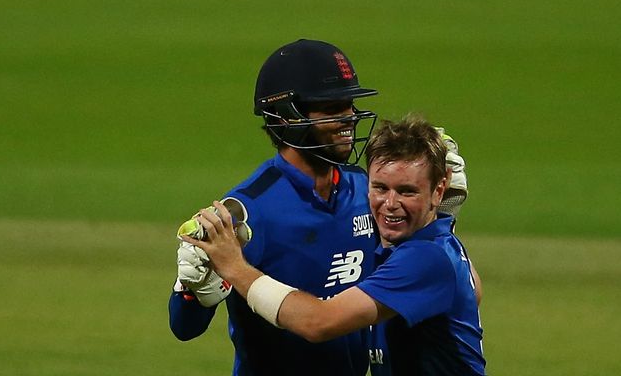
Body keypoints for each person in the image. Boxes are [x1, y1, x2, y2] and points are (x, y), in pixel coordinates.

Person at [168, 39, 469, 375]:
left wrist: (435, 215)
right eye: (331, 109)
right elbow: (184, 328)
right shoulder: (249, 211)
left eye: (349, 105)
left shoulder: (367, 191)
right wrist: (195, 290)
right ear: (285, 118)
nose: (349, 119)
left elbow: (428, 277)